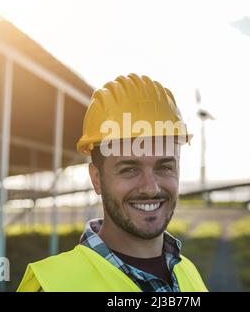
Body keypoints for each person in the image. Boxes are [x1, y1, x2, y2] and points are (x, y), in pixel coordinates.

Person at [17, 73, 208, 292]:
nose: (151, 187)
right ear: (96, 178)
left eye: (164, 167)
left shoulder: (189, 273)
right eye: (130, 169)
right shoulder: (53, 286)